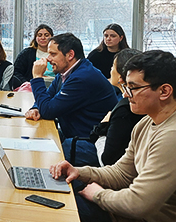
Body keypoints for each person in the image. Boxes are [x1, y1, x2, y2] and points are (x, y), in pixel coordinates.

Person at [51, 50, 176, 222]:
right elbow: (122, 173)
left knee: (64, 217)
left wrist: (98, 195)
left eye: (133, 88)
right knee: (62, 201)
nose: (124, 94)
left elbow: (138, 204)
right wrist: (79, 172)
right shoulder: (149, 121)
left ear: (164, 91)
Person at [25, 33, 117, 166]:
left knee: (42, 160)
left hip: (90, 143)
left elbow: (48, 110)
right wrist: (35, 107)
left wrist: (37, 77)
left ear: (70, 55)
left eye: (53, 54)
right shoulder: (67, 71)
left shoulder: (82, 78)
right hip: (76, 134)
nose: (48, 59)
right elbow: (48, 97)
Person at [90, 48, 144, 165]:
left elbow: (107, 161)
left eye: (113, 67)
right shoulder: (124, 98)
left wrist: (102, 130)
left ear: (121, 77)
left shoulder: (124, 110)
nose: (111, 70)